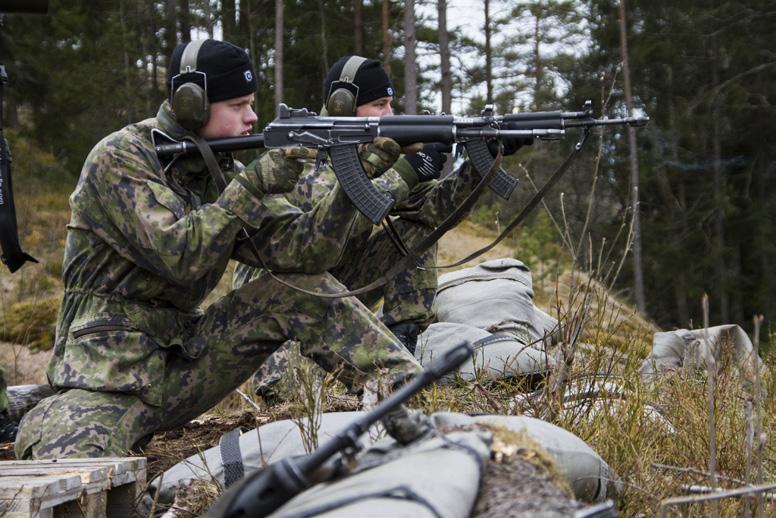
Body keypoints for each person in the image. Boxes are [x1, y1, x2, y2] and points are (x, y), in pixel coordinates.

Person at [14, 40, 424, 460]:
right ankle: (37, 409)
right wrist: (250, 187)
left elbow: (306, 253)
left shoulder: (222, 171)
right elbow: (180, 254)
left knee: (301, 288)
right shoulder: (121, 158)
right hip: (107, 376)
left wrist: (362, 171)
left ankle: (412, 398)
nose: (253, 117)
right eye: (239, 105)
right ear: (191, 104)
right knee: (73, 469)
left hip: (182, 362)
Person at [237, 55, 528, 398]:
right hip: (277, 304)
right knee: (288, 397)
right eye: (379, 104)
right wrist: (406, 172)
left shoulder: (375, 149)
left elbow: (434, 212)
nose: (389, 114)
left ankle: (402, 336)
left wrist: (482, 163)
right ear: (342, 105)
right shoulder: (302, 152)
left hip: (334, 286)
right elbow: (328, 227)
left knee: (417, 230)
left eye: (391, 103)